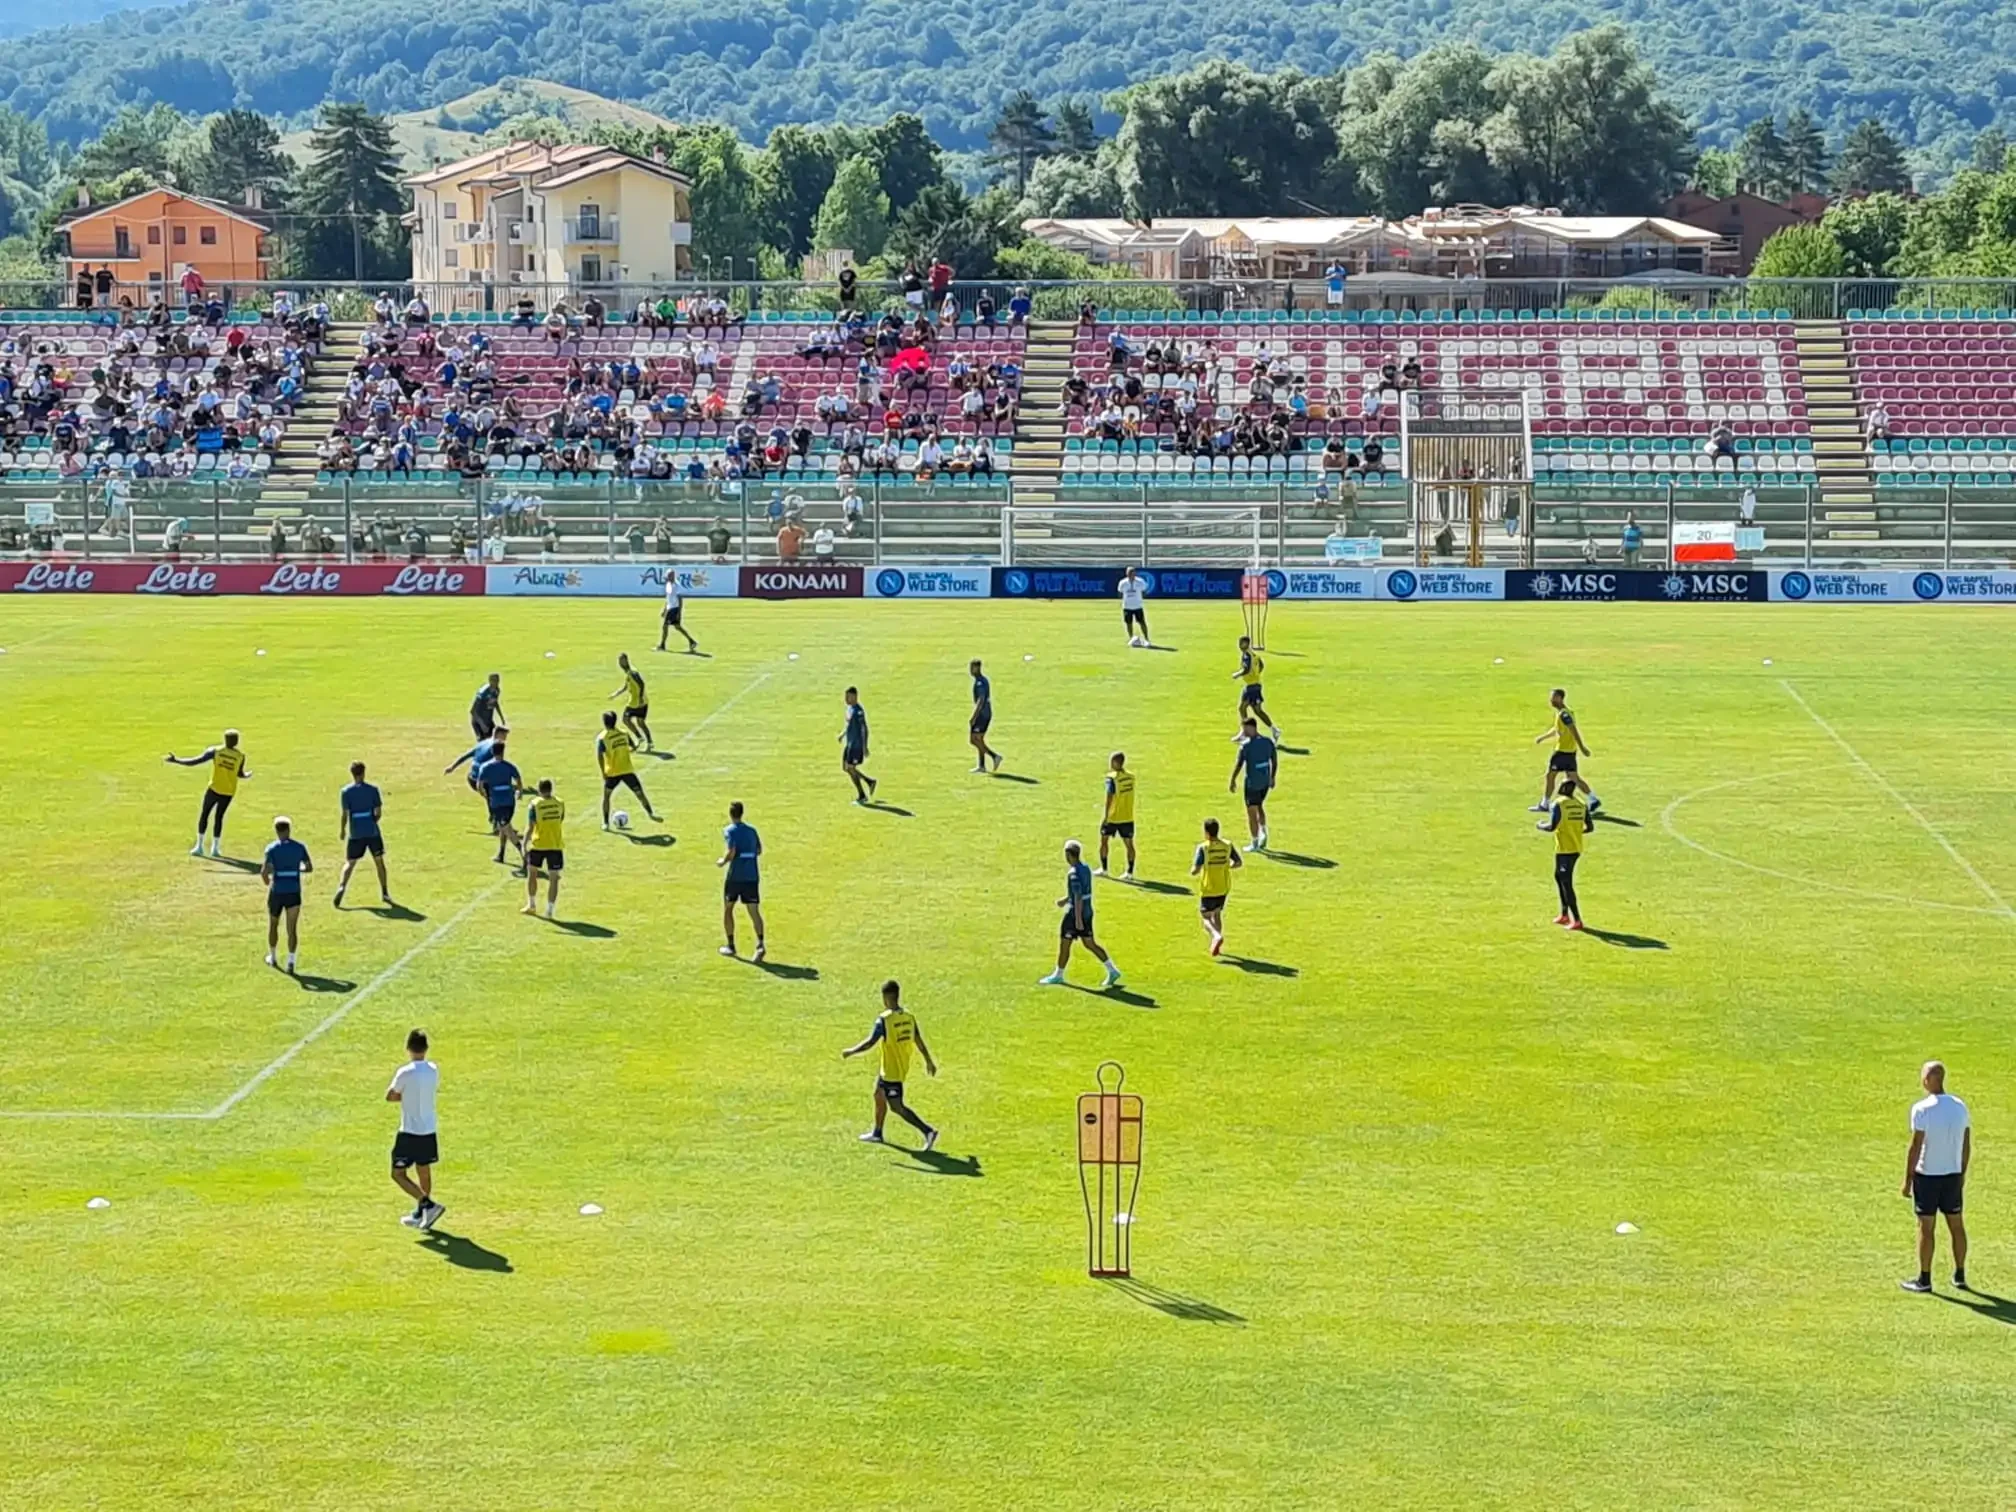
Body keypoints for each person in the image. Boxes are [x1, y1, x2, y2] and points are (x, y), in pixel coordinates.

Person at [841, 979, 939, 1150]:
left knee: (897, 1107)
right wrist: (928, 1061)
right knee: (878, 1095)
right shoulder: (909, 1018)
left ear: (885, 998)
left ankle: (928, 1131)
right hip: (892, 1067)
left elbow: (870, 1043)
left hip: (892, 1072)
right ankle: (877, 1133)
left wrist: (851, 1051)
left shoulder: (884, 1020)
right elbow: (919, 1040)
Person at [1900, 1060, 1972, 1293]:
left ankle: (1925, 1279)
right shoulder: (1960, 1106)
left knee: (1926, 1227)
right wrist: (1962, 1171)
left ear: (1930, 1080)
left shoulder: (1922, 1109)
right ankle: (1960, 1275)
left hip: (1928, 1176)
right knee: (1956, 1225)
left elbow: (1915, 1146)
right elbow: (1966, 1142)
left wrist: (1907, 1179)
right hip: (1952, 1176)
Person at [1039, 840, 1121, 988]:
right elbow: (1082, 892)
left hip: (1075, 915)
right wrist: (1065, 900)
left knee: (1065, 944)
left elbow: (1077, 897)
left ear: (1069, 855)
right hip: (1088, 912)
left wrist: (1077, 919)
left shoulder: (1073, 873)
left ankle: (1058, 975)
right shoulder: (1085, 868)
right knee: (1090, 943)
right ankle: (1112, 970)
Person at [386, 1028, 445, 1231]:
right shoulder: (433, 1069)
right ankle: (422, 1213)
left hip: (410, 1131)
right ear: (426, 1048)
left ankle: (427, 1204)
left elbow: (391, 1096)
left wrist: (407, 1096)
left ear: (408, 1048)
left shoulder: (405, 1072)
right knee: (424, 1171)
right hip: (428, 1130)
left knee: (398, 1173)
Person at [166, 729, 249, 857]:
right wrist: (247, 775)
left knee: (204, 815)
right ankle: (215, 848)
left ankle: (199, 846)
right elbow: (240, 774)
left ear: (225, 740)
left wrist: (176, 760)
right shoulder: (240, 756)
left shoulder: (215, 752)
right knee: (219, 817)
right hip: (228, 791)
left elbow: (195, 761)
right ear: (237, 742)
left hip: (214, 789)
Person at [1530, 687, 1599, 813]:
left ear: (1560, 698)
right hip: (1570, 752)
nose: (1551, 700)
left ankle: (1544, 804)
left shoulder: (1564, 714)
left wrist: (1582, 747)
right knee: (1573, 777)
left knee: (1550, 776)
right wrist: (1543, 737)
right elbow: (1557, 730)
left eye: (1553, 697)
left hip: (1562, 752)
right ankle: (1593, 799)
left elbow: (1573, 730)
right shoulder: (1563, 713)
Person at [1537, 774, 1592, 930]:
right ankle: (1564, 914)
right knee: (1558, 877)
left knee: (1566, 883)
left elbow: (1552, 827)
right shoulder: (1582, 804)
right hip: (1575, 847)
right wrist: (1575, 830)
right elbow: (1590, 827)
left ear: (1564, 788)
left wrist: (1540, 825)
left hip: (1565, 848)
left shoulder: (1559, 804)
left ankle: (1577, 919)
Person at [333, 760, 390, 908]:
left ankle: (341, 886)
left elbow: (345, 814)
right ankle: (384, 892)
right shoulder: (373, 790)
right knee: (379, 862)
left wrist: (343, 830)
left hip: (355, 832)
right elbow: (378, 812)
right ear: (363, 773)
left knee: (350, 862)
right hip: (371, 831)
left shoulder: (346, 792)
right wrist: (372, 822)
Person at [260, 815, 312, 972]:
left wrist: (269, 882)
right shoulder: (299, 847)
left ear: (276, 831)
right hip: (294, 892)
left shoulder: (272, 849)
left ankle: (273, 957)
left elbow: (264, 872)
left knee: (273, 924)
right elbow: (308, 867)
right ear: (288, 830)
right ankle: (291, 961)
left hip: (277, 892)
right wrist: (297, 870)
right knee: (292, 928)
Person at [716, 800, 765, 960]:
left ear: (730, 814)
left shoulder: (729, 830)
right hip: (752, 875)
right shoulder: (752, 831)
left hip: (736, 876)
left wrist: (723, 861)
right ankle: (760, 944)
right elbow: (758, 850)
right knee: (754, 911)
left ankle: (731, 946)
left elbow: (732, 850)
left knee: (728, 908)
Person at [1190, 816, 1242, 956]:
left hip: (1208, 888)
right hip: (1223, 886)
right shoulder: (1227, 845)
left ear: (1206, 832)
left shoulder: (1203, 848)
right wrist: (1226, 866)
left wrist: (1193, 871)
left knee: (1206, 917)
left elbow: (1195, 870)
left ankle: (1216, 936)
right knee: (1217, 913)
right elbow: (1238, 863)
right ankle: (1217, 945)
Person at [597, 710, 658, 828]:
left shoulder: (602, 738)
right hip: (627, 769)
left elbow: (599, 755)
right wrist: (630, 750)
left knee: (607, 797)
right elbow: (634, 747)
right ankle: (650, 813)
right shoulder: (624, 733)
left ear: (605, 723)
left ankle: (605, 822)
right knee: (639, 793)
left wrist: (603, 772)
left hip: (612, 772)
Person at [474, 736, 526, 866]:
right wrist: (519, 792)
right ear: (503, 751)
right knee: (505, 826)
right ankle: (501, 854)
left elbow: (479, 785)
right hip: (509, 801)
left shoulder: (485, 767)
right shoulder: (509, 766)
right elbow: (518, 780)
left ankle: (523, 852)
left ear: (492, 751)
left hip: (497, 803)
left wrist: (485, 795)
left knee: (505, 827)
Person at [1229, 717, 1277, 852]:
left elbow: (1239, 764)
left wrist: (1232, 780)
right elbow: (1274, 760)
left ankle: (1255, 842)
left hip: (1252, 783)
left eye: (1245, 728)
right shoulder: (1268, 742)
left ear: (1252, 727)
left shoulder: (1246, 746)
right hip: (1265, 782)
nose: (1243, 732)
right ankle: (1263, 831)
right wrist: (1272, 777)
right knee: (1259, 805)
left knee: (1251, 812)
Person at [521, 779, 566, 920]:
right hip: (555, 845)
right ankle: (550, 910)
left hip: (538, 844)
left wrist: (524, 844)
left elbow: (531, 826)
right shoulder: (560, 803)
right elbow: (560, 819)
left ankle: (531, 905)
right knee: (554, 878)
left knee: (532, 874)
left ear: (539, 790)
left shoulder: (535, 805)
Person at [444, 726, 509, 807]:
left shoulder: (482, 743)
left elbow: (465, 756)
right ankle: (494, 814)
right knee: (497, 795)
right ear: (499, 734)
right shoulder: (496, 746)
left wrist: (452, 767)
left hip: (471, 778)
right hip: (481, 781)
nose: (505, 738)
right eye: (504, 735)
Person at [1097, 751, 1136, 879]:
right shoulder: (1131, 777)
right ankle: (1130, 872)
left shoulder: (1112, 778)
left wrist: (1106, 816)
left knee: (1104, 841)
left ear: (1115, 762)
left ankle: (1104, 869)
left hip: (1113, 816)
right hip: (1127, 816)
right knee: (1129, 844)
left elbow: (1109, 797)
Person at [1234, 636, 1281, 740]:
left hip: (1252, 687)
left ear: (1246, 644)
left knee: (1244, 708)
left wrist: (1237, 674)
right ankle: (1274, 730)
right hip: (1254, 685)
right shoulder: (1253, 654)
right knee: (1256, 711)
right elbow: (1261, 665)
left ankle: (1245, 732)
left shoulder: (1247, 655)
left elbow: (1246, 669)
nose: (1239, 645)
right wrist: (1256, 674)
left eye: (1241, 643)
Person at [609, 653, 653, 749]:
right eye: (619, 661)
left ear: (626, 660)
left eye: (622, 661)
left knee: (628, 720)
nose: (620, 663)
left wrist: (640, 697)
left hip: (637, 702)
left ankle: (642, 738)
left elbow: (641, 684)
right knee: (639, 722)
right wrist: (616, 694)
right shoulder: (629, 673)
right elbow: (626, 686)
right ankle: (647, 740)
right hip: (639, 701)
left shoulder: (633, 673)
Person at [841, 686, 877, 803]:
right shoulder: (850, 709)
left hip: (856, 745)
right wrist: (843, 734)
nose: (846, 699)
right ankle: (869, 782)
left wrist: (864, 746)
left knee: (851, 768)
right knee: (846, 768)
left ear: (855, 696)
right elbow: (849, 725)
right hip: (849, 744)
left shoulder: (858, 711)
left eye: (848, 696)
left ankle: (862, 794)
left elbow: (864, 729)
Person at [968, 658, 1002, 774]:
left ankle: (994, 756)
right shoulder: (983, 680)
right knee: (980, 739)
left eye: (972, 667)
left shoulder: (979, 683)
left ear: (977, 668)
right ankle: (981, 766)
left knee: (973, 740)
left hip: (982, 714)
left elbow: (980, 701)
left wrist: (974, 717)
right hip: (986, 713)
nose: (970, 670)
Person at [657, 573, 699, 653]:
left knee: (665, 626)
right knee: (677, 627)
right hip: (670, 608)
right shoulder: (668, 585)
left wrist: (679, 612)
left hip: (674, 608)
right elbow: (668, 599)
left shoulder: (676, 586)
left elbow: (680, 599)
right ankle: (692, 641)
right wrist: (665, 609)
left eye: (669, 576)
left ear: (672, 576)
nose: (667, 578)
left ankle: (662, 645)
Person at [1119, 566, 1150, 646]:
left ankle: (1146, 639)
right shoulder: (1123, 583)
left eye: (1132, 573)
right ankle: (1132, 639)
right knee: (1128, 623)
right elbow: (1120, 593)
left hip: (1138, 606)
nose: (1131, 575)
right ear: (1127, 574)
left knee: (1142, 622)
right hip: (1127, 607)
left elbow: (1144, 591)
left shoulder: (1140, 582)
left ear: (1135, 573)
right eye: (1129, 573)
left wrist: (1139, 599)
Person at [470, 672, 505, 741]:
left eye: (498, 680)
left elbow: (495, 702)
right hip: (478, 722)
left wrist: (501, 717)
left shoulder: (496, 690)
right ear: (490, 681)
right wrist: (482, 725)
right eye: (495, 681)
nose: (497, 683)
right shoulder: (483, 693)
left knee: (495, 739)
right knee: (483, 743)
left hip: (488, 720)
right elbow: (473, 711)